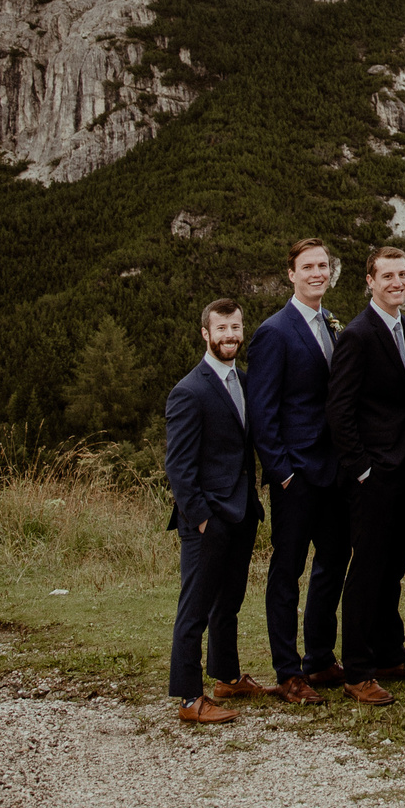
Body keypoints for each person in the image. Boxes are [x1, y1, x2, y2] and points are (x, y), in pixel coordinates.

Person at [244, 238, 347, 704]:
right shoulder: (274, 331)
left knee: (332, 563)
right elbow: (262, 412)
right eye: (308, 266)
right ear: (291, 273)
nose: (317, 273)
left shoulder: (330, 323)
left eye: (323, 266)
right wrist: (281, 471)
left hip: (334, 471)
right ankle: (288, 671)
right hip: (296, 474)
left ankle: (320, 659)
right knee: (287, 571)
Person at [326, 246, 405, 705]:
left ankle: (390, 653)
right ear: (369, 281)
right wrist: (361, 469)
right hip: (372, 475)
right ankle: (359, 669)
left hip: (404, 469)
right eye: (387, 275)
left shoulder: (403, 325)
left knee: (393, 567)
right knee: (367, 571)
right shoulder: (357, 334)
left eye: (402, 274)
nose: (397, 282)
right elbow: (340, 410)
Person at [164, 299, 267, 723]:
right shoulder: (189, 390)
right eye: (221, 329)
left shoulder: (245, 380)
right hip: (207, 519)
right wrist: (203, 518)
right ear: (205, 334)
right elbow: (179, 466)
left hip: (242, 512)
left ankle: (225, 676)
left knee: (230, 602)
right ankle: (190, 698)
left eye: (236, 328)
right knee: (196, 608)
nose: (230, 336)